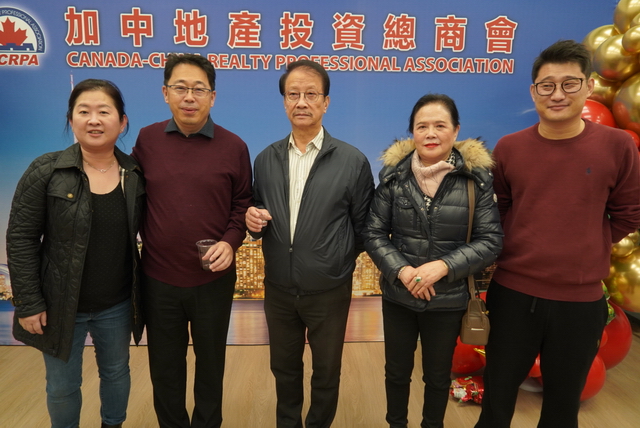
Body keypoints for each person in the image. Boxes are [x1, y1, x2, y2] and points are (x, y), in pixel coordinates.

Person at [475, 40, 640, 428]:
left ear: (588, 87)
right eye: (547, 86)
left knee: (563, 407)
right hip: (513, 295)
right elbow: (500, 210)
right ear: (534, 91)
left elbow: (629, 214)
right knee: (496, 399)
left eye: (569, 83)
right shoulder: (510, 148)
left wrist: (587, 243)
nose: (557, 94)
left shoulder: (616, 146)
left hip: (579, 302)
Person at [6, 79, 144, 428]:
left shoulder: (135, 174)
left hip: (116, 304)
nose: (94, 120)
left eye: (104, 112)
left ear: (122, 122)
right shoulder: (47, 170)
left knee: (117, 373)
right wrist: (29, 302)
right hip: (59, 305)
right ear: (71, 120)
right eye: (84, 111)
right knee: (62, 386)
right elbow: (21, 238)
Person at [245, 59, 374, 428]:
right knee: (283, 368)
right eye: (293, 94)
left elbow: (364, 229)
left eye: (311, 94)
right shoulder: (265, 159)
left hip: (329, 291)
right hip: (278, 289)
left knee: (326, 371)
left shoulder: (352, 161)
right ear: (284, 101)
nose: (301, 102)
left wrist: (332, 260)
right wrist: (252, 220)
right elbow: (257, 213)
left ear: (326, 102)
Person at [363, 94, 502, 428]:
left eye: (440, 125)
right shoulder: (393, 177)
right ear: (412, 132)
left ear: (456, 131)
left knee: (438, 376)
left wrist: (443, 267)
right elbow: (373, 232)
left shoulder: (476, 179)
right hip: (399, 295)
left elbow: (491, 241)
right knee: (396, 372)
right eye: (422, 126)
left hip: (447, 298)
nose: (430, 133)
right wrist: (403, 271)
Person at [132, 53, 252, 428]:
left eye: (198, 89)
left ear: (212, 97)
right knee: (165, 369)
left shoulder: (234, 146)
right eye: (180, 88)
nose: (189, 97)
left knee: (211, 366)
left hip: (213, 279)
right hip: (158, 279)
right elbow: (130, 195)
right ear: (165, 93)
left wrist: (230, 242)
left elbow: (242, 205)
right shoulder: (147, 140)